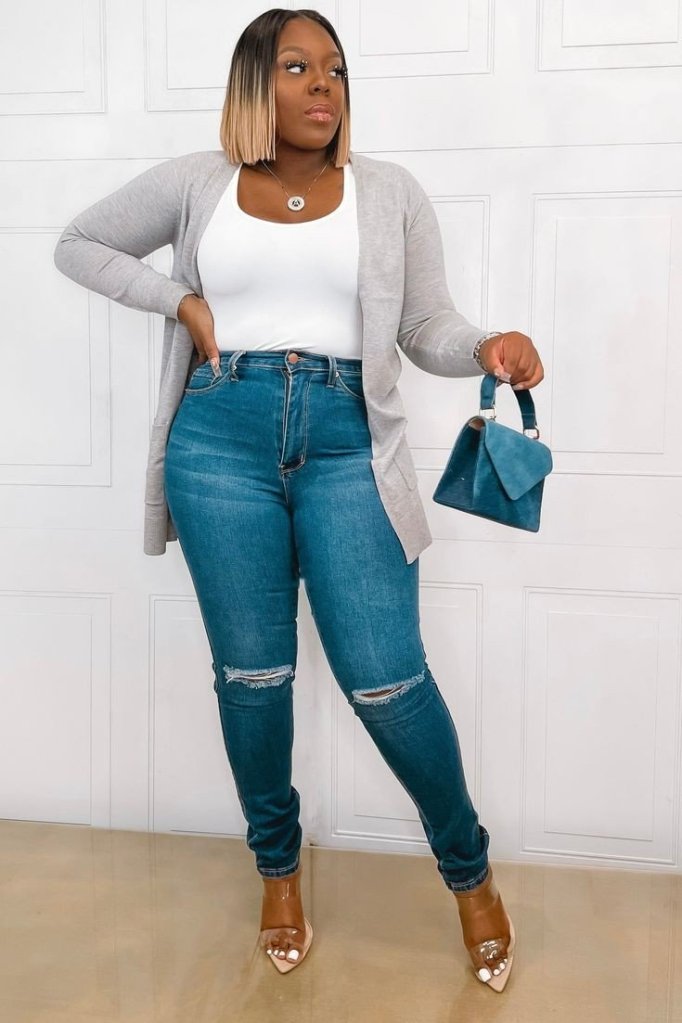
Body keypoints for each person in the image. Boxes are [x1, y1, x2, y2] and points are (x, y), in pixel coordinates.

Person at [53, 7, 543, 992]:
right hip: (218, 440)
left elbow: (426, 326)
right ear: (254, 83)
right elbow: (80, 243)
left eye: (335, 68)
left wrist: (486, 344)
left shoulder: (389, 192)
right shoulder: (198, 183)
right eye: (296, 66)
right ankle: (277, 874)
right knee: (253, 678)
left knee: (387, 680)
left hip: (349, 442)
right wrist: (180, 301)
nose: (323, 84)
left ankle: (469, 871)